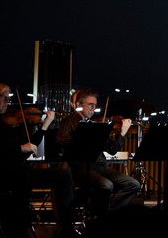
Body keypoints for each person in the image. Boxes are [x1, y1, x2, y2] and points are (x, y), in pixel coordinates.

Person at [0, 82, 76, 238]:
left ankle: (60, 226)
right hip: (0, 176)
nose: (7, 101)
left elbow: (28, 148)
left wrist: (45, 125)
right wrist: (19, 149)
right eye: (3, 96)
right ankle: (65, 229)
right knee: (61, 176)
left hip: (16, 174)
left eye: (8, 96)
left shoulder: (1, 123)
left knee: (61, 174)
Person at [55, 88, 140, 217]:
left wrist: (122, 133)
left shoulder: (95, 125)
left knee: (133, 184)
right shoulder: (68, 122)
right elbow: (61, 140)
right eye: (90, 104)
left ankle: (108, 213)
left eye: (95, 105)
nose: (93, 108)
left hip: (100, 166)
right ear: (78, 105)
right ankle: (101, 216)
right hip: (80, 167)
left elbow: (111, 150)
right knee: (106, 185)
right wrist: (83, 137)